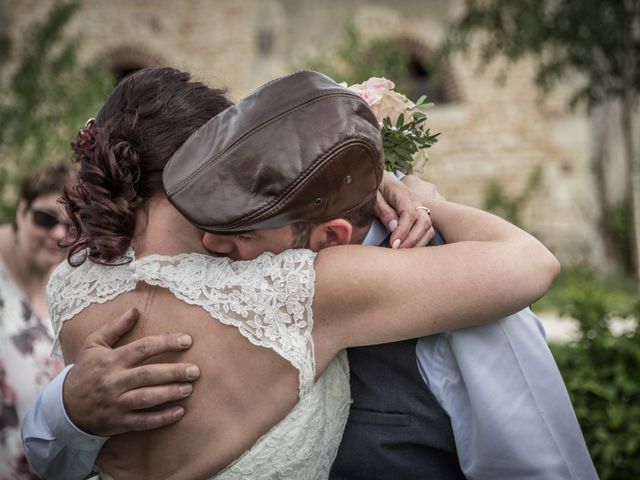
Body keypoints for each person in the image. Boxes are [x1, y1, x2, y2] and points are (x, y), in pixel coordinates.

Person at [26, 69, 558, 479]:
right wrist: (426, 199)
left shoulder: (72, 285)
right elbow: (529, 263)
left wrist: (66, 408)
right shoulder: (298, 286)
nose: (225, 227)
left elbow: (48, 456)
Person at [0, 162, 73, 479]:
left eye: (73, 225)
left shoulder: (69, 289)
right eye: (46, 219)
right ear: (21, 210)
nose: (59, 233)